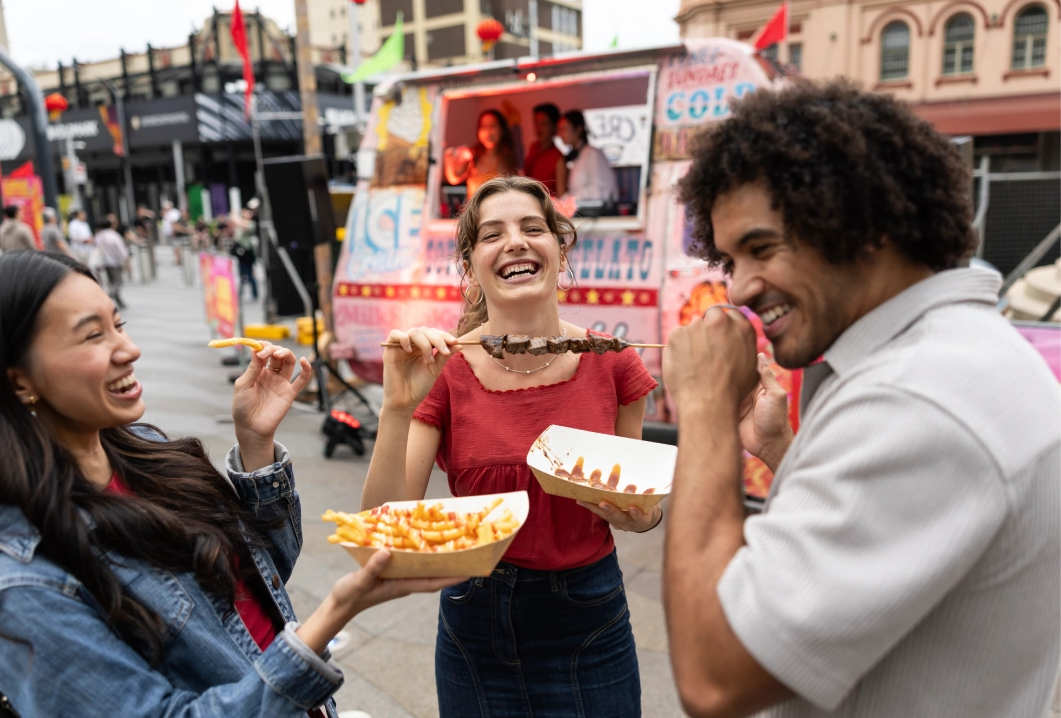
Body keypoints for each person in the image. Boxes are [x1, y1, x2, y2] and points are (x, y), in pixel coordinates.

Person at [662, 79, 1061, 717]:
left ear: (862, 224)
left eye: (762, 248)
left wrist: (705, 408)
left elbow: (715, 675)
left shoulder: (921, 398)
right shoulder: (942, 360)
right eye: (729, 260)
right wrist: (780, 451)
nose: (737, 290)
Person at [0, 251, 460, 717]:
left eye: (118, 325)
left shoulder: (142, 448)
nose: (129, 350)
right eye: (92, 336)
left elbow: (262, 572)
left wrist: (256, 443)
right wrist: (333, 613)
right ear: (20, 381)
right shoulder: (21, 584)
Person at [362, 175, 660, 717]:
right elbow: (384, 532)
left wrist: (637, 517)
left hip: (588, 616)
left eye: (532, 227)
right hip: (474, 619)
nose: (515, 242)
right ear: (472, 265)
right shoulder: (444, 368)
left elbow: (640, 508)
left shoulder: (614, 362)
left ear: (559, 248)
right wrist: (397, 407)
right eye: (493, 234)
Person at [444, 109, 518, 198]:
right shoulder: (472, 155)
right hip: (477, 210)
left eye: (492, 125)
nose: (488, 130)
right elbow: (454, 178)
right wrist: (450, 162)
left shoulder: (509, 158)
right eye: (483, 126)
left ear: (502, 130)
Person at [557, 110, 618, 208]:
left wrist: (569, 199)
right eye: (559, 130)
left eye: (564, 129)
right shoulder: (577, 156)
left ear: (578, 129)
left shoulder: (592, 154)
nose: (560, 134)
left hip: (601, 217)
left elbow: (599, 191)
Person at [523, 103, 566, 198]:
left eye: (543, 123)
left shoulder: (558, 158)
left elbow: (561, 196)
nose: (538, 128)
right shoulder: (533, 147)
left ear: (554, 126)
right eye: (536, 123)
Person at [94, 217, 131, 309]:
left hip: (104, 262)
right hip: (115, 262)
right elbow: (122, 250)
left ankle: (120, 302)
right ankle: (106, 298)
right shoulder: (113, 235)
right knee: (118, 282)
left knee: (112, 282)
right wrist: (126, 260)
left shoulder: (99, 236)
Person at [230, 208, 260, 301]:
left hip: (248, 253)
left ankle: (254, 294)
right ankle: (241, 294)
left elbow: (241, 224)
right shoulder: (242, 223)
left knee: (249, 274)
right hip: (241, 254)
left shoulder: (251, 224)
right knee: (242, 274)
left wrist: (235, 217)